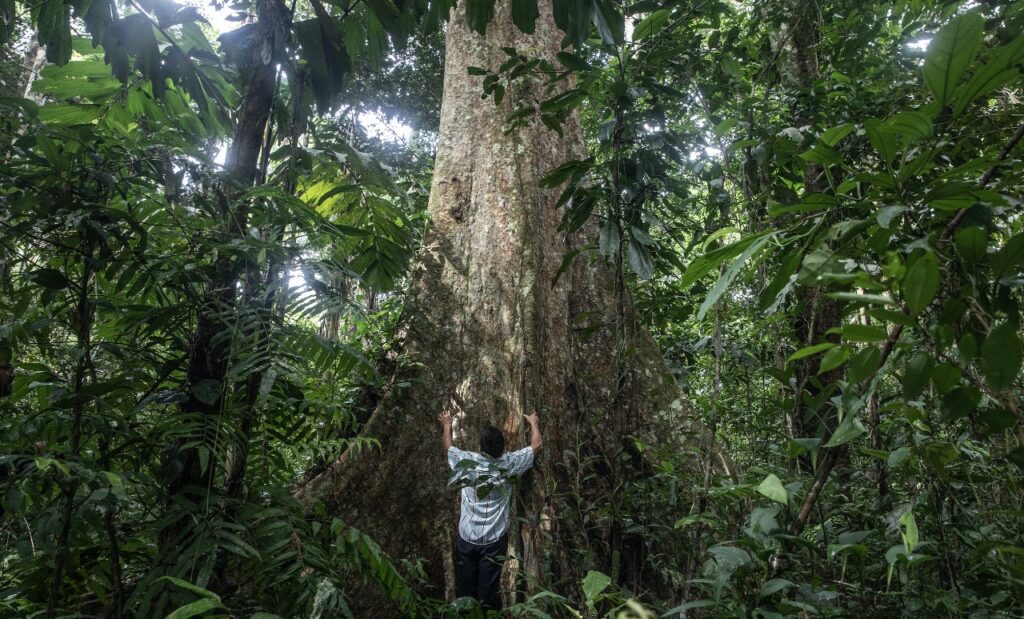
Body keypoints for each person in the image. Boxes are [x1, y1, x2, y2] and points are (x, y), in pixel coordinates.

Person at [438, 406, 542, 613]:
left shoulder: (467, 462)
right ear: (503, 447)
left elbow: (447, 447)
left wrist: (447, 425)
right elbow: (536, 445)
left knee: (466, 590)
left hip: (467, 537)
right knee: (488, 591)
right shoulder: (509, 463)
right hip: (494, 541)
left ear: (481, 447)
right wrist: (533, 422)